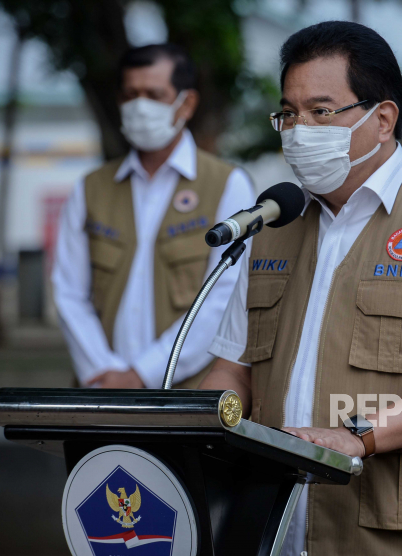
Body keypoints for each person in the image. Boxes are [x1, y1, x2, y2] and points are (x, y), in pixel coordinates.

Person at [200, 21, 402, 555]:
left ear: (382, 118)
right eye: (289, 114)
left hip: (393, 529)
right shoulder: (272, 228)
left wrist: (358, 436)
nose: (299, 130)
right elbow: (233, 369)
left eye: (321, 112)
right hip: (275, 524)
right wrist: (187, 427)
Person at [52, 44, 255, 389]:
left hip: (185, 396)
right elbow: (68, 292)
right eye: (131, 94)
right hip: (99, 392)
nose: (140, 106)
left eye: (154, 94)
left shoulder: (227, 185)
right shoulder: (90, 189)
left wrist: (143, 374)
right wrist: (104, 373)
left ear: (186, 103)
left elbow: (224, 296)